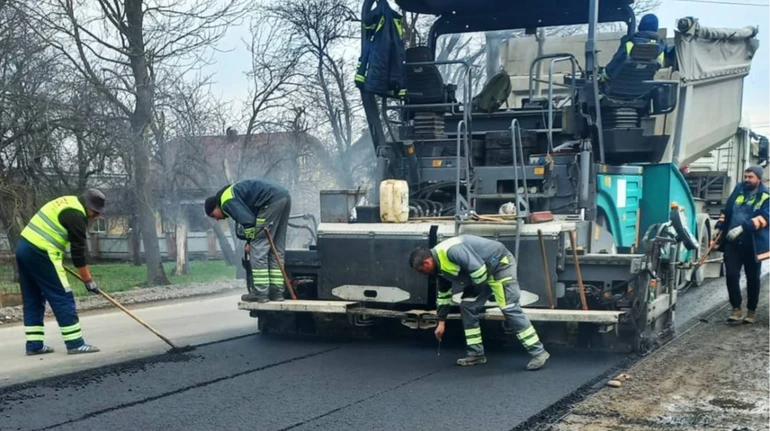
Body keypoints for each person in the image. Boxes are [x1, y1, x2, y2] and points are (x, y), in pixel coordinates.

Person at [409, 235, 550, 370]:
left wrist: (473, 291)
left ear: (427, 262)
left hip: (499, 265)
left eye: (422, 270)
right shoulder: (439, 267)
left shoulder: (452, 251)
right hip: (481, 275)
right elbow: (444, 295)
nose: (423, 274)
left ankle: (538, 352)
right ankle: (476, 354)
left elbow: (478, 271)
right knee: (468, 306)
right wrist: (441, 322)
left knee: (509, 307)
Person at [16, 189, 105, 355]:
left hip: (24, 247)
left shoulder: (67, 201)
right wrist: (88, 281)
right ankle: (75, 343)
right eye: (96, 212)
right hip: (41, 251)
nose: (96, 217)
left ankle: (34, 345)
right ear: (89, 207)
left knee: (33, 298)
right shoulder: (77, 216)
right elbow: (78, 254)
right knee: (63, 295)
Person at [205, 178, 291, 303]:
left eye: (213, 215)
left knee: (259, 249)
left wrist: (251, 243)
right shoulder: (231, 194)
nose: (217, 219)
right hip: (284, 197)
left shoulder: (226, 201)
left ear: (216, 206)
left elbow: (249, 223)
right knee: (276, 249)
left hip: (270, 202)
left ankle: (261, 293)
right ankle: (277, 292)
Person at [714, 166, 769, 324]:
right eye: (745, 176)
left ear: (758, 179)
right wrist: (719, 226)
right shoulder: (738, 189)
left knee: (753, 278)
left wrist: (743, 227)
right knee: (731, 275)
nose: (746, 179)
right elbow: (727, 210)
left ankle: (751, 310)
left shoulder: (766, 196)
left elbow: (766, 217)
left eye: (750, 177)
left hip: (752, 244)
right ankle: (736, 308)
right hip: (732, 242)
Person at [602, 13, 666, 80]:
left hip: (620, 84)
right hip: (644, 87)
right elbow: (658, 66)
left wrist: (604, 75)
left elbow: (614, 65)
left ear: (640, 26)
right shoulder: (660, 48)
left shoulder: (630, 43)